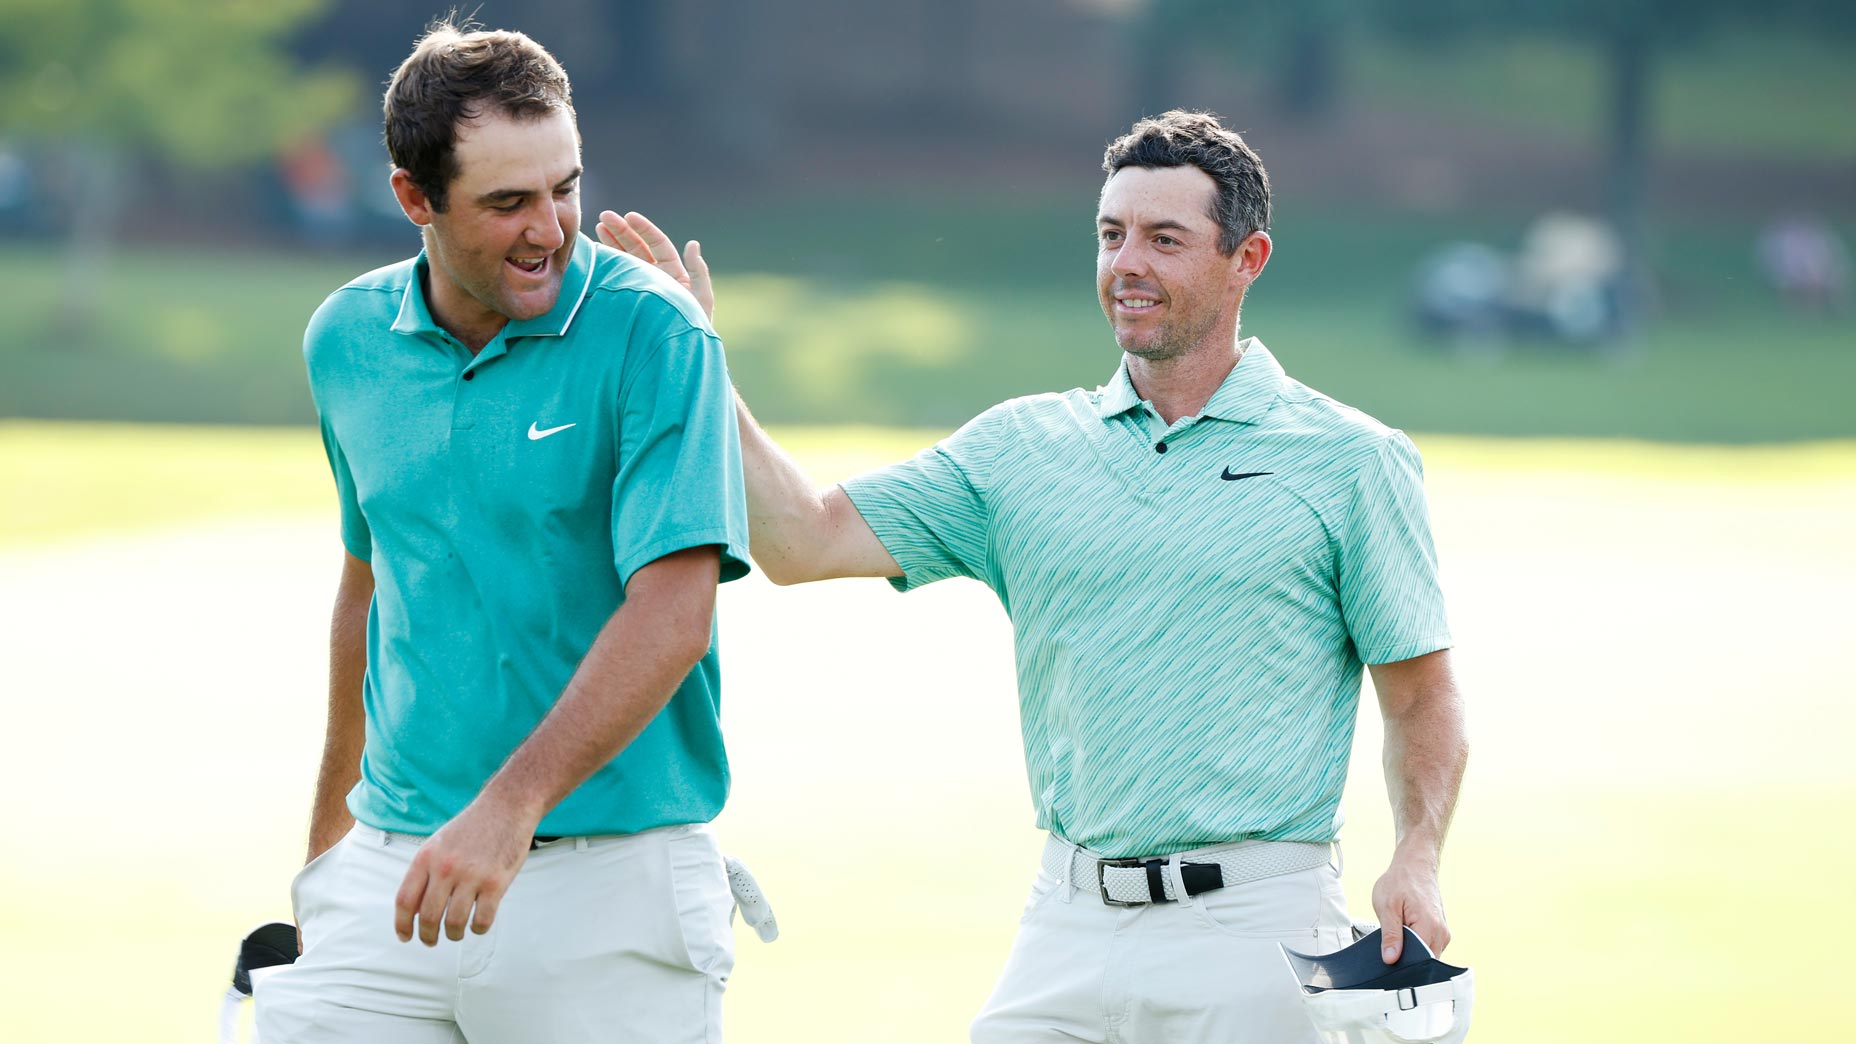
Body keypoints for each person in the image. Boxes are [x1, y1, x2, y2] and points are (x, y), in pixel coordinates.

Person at [602, 109, 1468, 1043]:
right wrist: (700, 358)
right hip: (1065, 923)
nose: (1126, 263)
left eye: (1164, 239)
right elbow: (803, 541)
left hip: (1257, 929)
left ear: (1247, 258)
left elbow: (1419, 694)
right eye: (1111, 234)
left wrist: (1417, 853)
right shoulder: (1021, 447)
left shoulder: (1350, 460)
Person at [255, 22, 753, 1044]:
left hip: (605, 888)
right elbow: (370, 587)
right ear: (413, 199)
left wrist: (506, 808)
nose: (551, 229)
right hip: (390, 877)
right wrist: (326, 863)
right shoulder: (345, 338)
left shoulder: (658, 332)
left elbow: (675, 610)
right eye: (507, 202)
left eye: (563, 186)